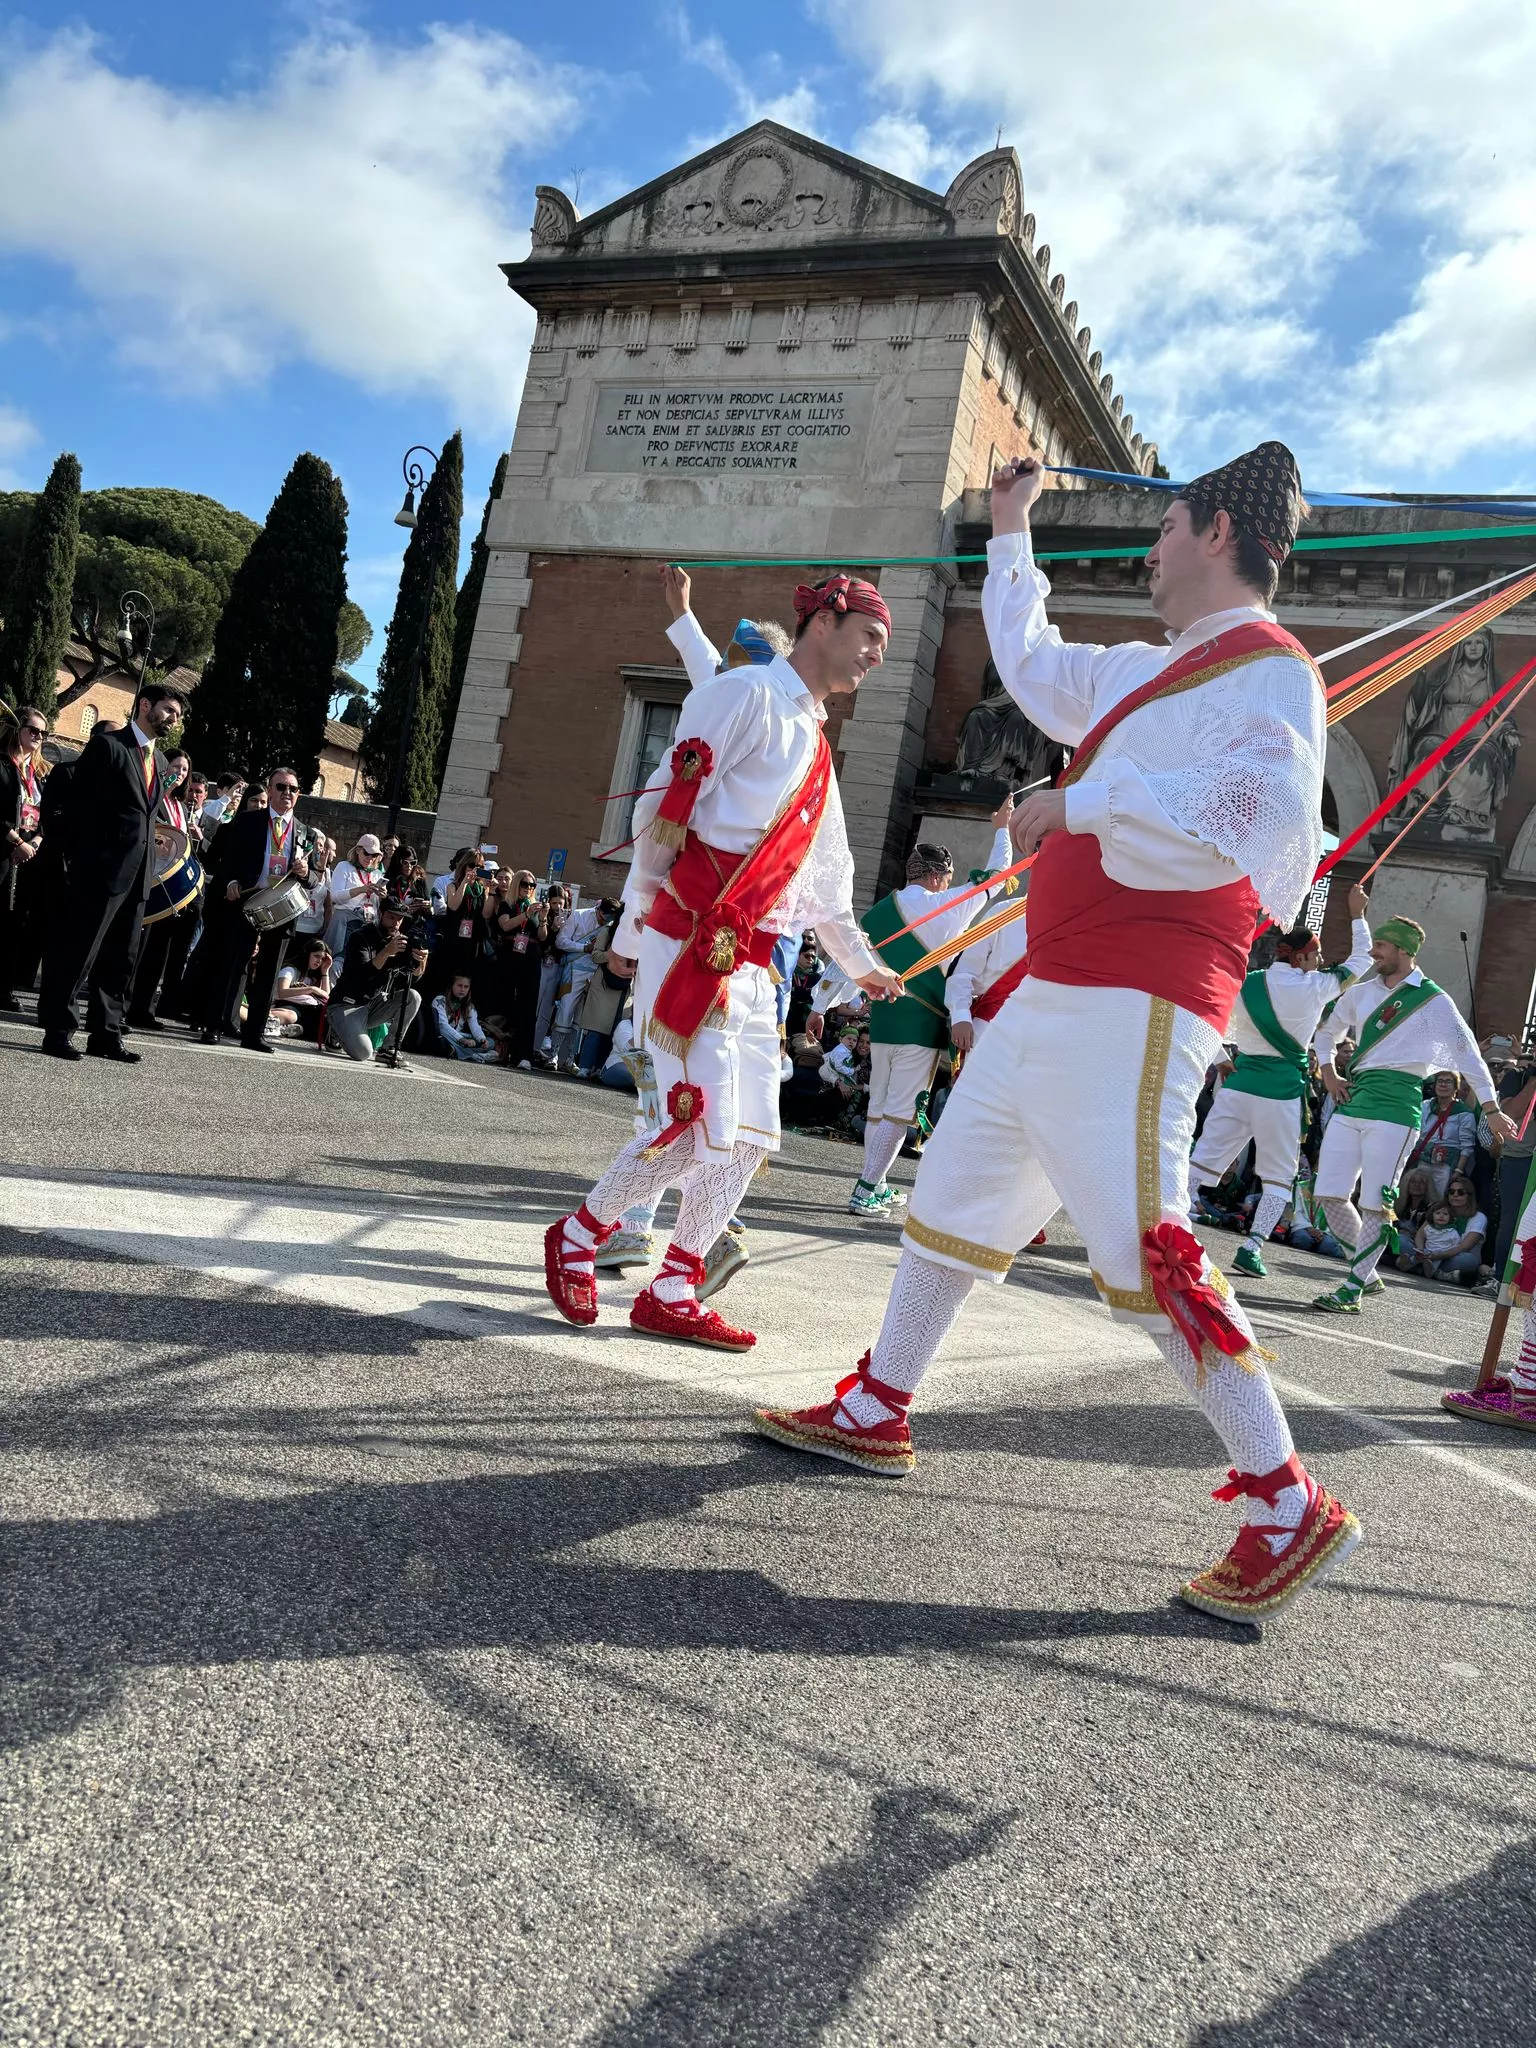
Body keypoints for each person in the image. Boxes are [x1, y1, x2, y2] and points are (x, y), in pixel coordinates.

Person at [753, 443, 1368, 1627]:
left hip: (1141, 999)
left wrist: (1076, 801)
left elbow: (1258, 815)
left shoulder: (1271, 671)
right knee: (959, 1192)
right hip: (1060, 992)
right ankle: (881, 1398)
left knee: (1151, 1243)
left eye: (1168, 526)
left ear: (1218, 538)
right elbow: (1033, 663)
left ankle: (1286, 1499)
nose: (1151, 548)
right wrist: (1011, 526)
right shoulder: (1152, 668)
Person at [545, 570, 902, 1351]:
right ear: (825, 621)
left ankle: (676, 1282)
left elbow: (825, 883)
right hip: (690, 940)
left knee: (746, 1136)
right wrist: (636, 934)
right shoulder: (743, 696)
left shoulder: (814, 741)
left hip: (752, 960)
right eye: (870, 636)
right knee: (689, 1121)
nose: (878, 655)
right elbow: (660, 813)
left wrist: (862, 966)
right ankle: (577, 1234)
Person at [1311, 916, 1514, 1312]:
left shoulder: (1433, 1000)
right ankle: (1367, 1272)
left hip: (1397, 1108)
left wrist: (1490, 1108)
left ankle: (1351, 1289)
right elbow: (1326, 1033)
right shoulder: (1361, 992)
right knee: (1329, 1194)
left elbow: (1469, 1056)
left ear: (1404, 951)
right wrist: (1330, 1072)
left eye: (1381, 946)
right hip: (1354, 1101)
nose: (1373, 952)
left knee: (1375, 1201)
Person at [1187, 885, 1373, 1278]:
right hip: (1282, 1094)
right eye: (1317, 956)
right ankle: (1251, 1249)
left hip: (1238, 1087)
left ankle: (1175, 1227)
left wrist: (1222, 1060)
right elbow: (1361, 960)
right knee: (1277, 1178)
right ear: (1303, 956)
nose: (1321, 961)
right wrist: (1357, 913)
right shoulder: (1316, 986)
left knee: (1202, 1164)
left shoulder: (1247, 982)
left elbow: (1207, 1019)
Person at [843, 811, 1013, 1216]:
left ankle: (877, 1183)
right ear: (939, 875)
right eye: (948, 877)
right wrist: (1003, 827)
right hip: (921, 1022)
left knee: (879, 1107)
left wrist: (820, 1006)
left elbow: (848, 961)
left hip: (884, 1019)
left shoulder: (878, 913)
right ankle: (866, 1189)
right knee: (901, 1112)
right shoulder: (947, 906)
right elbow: (997, 873)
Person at [36, 678, 185, 1062]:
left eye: (178, 715)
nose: (173, 718)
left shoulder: (161, 760)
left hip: (139, 874)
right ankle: (59, 1030)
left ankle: (105, 1033)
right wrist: (80, 860)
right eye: (169, 710)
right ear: (145, 705)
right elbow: (77, 806)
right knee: (80, 951)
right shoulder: (109, 746)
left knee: (123, 957)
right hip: (100, 870)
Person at [196, 766, 315, 1052]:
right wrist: (231, 881)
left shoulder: (305, 832)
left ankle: (254, 1034)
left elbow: (312, 879)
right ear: (270, 789)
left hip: (282, 910)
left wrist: (305, 871)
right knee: (230, 966)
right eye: (281, 787)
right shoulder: (248, 822)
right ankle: (213, 1026)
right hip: (247, 902)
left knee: (268, 974)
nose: (287, 793)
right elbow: (222, 861)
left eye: (293, 789)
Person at [127, 747, 201, 1030]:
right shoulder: (155, 798)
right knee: (141, 949)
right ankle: (128, 1004)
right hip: (149, 878)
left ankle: (145, 1008)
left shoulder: (181, 807)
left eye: (184, 770)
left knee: (160, 951)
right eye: (175, 768)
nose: (180, 774)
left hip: (169, 883)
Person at [329, 899, 428, 1064]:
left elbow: (411, 979)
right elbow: (363, 976)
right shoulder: (360, 936)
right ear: (380, 915)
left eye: (400, 919)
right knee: (363, 1053)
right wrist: (387, 951)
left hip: (374, 1004)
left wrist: (422, 960)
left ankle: (388, 1049)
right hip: (347, 1004)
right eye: (391, 917)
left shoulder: (401, 941)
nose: (395, 923)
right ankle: (335, 1031)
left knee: (413, 996)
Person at [0, 702, 48, 1009]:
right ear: (17, 730)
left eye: (44, 733)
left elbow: (44, 815)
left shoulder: (39, 773)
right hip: (4, 852)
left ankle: (4, 986)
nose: (39, 737)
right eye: (33, 730)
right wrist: (16, 841)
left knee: (15, 923)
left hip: (29, 855)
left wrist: (37, 840)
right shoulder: (3, 766)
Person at [1407, 1068, 1478, 1200]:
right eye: (1440, 1081)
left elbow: (1466, 1147)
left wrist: (1458, 1171)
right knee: (1416, 1197)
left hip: (1445, 1166)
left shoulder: (1464, 1113)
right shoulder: (1425, 1106)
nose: (1443, 1085)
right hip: (1422, 1160)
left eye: (1448, 1082)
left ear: (1455, 1087)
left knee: (1438, 1199)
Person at [325, 834, 385, 954]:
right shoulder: (344, 867)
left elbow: (378, 904)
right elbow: (335, 897)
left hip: (368, 922)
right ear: (358, 850)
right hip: (346, 921)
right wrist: (361, 889)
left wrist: (383, 895)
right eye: (366, 853)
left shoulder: (377, 873)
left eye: (374, 855)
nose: (370, 858)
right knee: (340, 957)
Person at [272, 938, 333, 1042]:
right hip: (286, 1004)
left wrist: (325, 971)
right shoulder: (290, 970)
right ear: (307, 954)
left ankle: (284, 1029)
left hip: (306, 1009)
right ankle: (268, 1019)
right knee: (291, 1016)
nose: (319, 961)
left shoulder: (314, 977)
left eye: (322, 959)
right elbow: (282, 992)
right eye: (316, 956)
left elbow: (325, 996)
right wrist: (310, 989)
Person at [432, 972, 498, 1062]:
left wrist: (482, 1040)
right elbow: (442, 1025)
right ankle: (473, 1055)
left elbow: (475, 1027)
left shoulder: (468, 1006)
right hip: (446, 1035)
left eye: (466, 987)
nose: (462, 989)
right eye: (459, 985)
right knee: (443, 1039)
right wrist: (462, 1040)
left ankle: (458, 1051)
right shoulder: (440, 1000)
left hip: (459, 1036)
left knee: (491, 1042)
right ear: (452, 985)